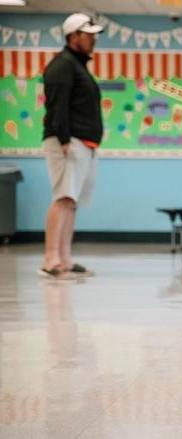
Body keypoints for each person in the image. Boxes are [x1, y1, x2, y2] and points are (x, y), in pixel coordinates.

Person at [39, 13, 104, 279]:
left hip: (84, 144)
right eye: (88, 35)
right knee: (63, 198)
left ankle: (64, 259)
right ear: (73, 36)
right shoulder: (62, 65)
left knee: (72, 202)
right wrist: (64, 139)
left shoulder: (78, 66)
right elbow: (57, 105)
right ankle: (50, 259)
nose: (93, 40)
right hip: (67, 143)